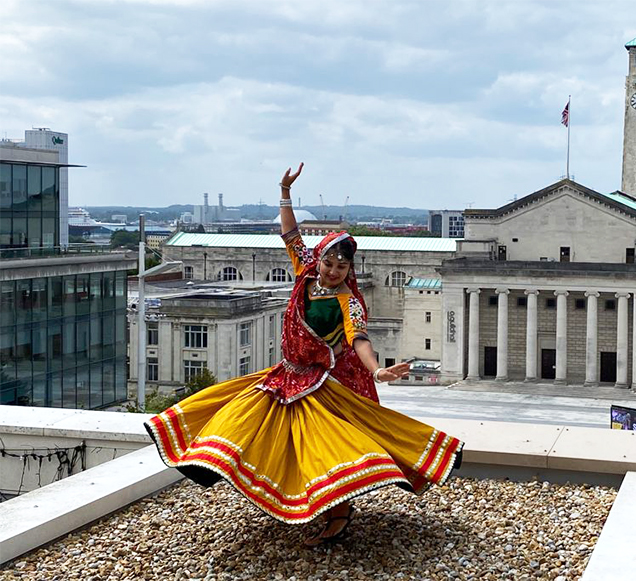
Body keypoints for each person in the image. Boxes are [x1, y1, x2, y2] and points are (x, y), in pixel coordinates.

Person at [145, 163, 463, 547]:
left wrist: (377, 371)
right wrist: (284, 192)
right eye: (329, 262)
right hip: (286, 375)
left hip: (318, 382)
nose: (333, 271)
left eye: (341, 266)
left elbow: (358, 338)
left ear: (350, 268)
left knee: (322, 446)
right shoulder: (304, 273)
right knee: (252, 425)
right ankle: (283, 494)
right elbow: (290, 234)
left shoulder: (349, 301)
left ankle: (338, 511)